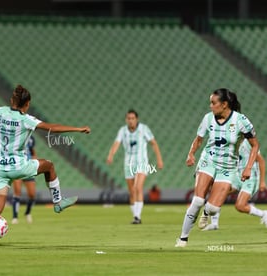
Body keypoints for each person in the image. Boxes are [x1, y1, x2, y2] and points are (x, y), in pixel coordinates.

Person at [0, 84, 91, 250]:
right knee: (49, 166)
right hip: (19, 166)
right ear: (26, 104)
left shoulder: (0, 112)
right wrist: (78, 129)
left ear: (11, 100)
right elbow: (52, 128)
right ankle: (57, 202)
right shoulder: (26, 119)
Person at [175, 88, 259, 247]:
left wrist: (248, 168)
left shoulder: (241, 120)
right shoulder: (208, 119)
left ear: (225, 104)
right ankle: (183, 238)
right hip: (209, 160)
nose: (210, 106)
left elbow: (255, 145)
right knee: (198, 200)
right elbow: (199, 139)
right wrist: (191, 154)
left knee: (213, 208)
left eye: (213, 103)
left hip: (228, 166)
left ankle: (207, 212)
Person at [106, 109, 163, 224]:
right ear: (126, 119)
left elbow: (153, 143)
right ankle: (135, 215)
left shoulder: (143, 129)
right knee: (132, 191)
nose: (131, 121)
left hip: (141, 162)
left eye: (133, 118)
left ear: (137, 119)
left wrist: (159, 159)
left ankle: (137, 216)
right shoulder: (123, 131)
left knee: (138, 187)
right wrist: (111, 155)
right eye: (129, 118)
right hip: (128, 163)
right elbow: (116, 143)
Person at [199, 139, 266, 231]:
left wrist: (262, 182)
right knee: (217, 193)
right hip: (237, 176)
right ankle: (214, 224)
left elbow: (261, 161)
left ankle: (263, 214)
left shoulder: (248, 143)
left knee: (240, 206)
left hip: (250, 178)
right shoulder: (230, 143)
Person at [12, 135, 37, 224]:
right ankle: (15, 217)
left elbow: (33, 152)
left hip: (28, 168)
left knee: (32, 194)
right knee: (17, 192)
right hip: (17, 167)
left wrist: (34, 162)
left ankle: (27, 213)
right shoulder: (16, 136)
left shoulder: (31, 138)